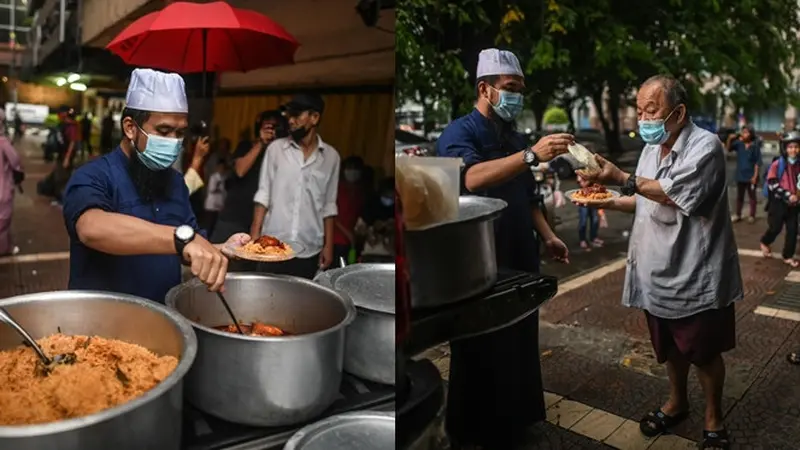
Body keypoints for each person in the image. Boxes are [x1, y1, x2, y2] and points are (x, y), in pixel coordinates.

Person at [575, 75, 742, 450]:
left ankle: (714, 418)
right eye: (638, 111)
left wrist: (620, 177)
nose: (642, 119)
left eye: (651, 111)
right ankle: (677, 402)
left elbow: (674, 193)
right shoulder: (653, 149)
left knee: (704, 352)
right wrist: (605, 198)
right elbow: (644, 197)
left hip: (695, 271)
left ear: (679, 113)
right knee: (669, 348)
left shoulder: (706, 146)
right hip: (656, 271)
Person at [436, 48, 571, 450]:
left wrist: (548, 236)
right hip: (478, 257)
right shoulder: (458, 133)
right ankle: (472, 428)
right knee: (479, 341)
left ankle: (517, 419)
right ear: (485, 89)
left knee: (519, 336)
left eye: (520, 90)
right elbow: (472, 178)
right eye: (510, 88)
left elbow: (528, 198)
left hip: (520, 251)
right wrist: (530, 155)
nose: (516, 97)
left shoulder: (514, 137)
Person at [62, 68, 249, 303]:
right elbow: (91, 228)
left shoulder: (175, 182)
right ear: (130, 127)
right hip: (102, 326)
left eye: (180, 133)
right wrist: (182, 240)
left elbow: (183, 248)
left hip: (162, 316)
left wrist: (217, 249)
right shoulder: (94, 176)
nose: (172, 141)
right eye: (163, 131)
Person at [251, 94, 340, 279]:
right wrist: (254, 235)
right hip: (273, 244)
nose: (290, 121)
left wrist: (328, 245)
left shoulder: (331, 157)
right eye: (289, 115)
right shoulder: (276, 149)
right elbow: (263, 194)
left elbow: (329, 205)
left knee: (299, 305)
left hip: (309, 247)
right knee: (267, 301)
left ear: (315, 118)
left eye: (297, 115)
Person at [211, 110, 286, 246]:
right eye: (268, 127)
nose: (271, 131)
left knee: (248, 264)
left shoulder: (283, 153)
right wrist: (261, 143)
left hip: (262, 221)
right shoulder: (246, 146)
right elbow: (240, 170)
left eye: (275, 127)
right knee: (219, 258)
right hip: (233, 217)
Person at [760, 131, 800, 267]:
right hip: (779, 203)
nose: (793, 150)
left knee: (793, 230)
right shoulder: (778, 164)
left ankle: (788, 255)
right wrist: (788, 195)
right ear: (785, 148)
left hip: (794, 204)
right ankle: (765, 241)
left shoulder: (798, 164)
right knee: (775, 228)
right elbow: (772, 183)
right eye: (790, 147)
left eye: (796, 147)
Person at [333, 156, 366, 265]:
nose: (352, 171)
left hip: (351, 240)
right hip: (336, 239)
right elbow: (331, 215)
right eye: (349, 168)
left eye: (355, 168)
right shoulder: (337, 189)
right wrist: (348, 233)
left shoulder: (360, 191)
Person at [726, 126, 761, 223]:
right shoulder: (739, 144)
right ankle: (738, 214)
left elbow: (758, 163)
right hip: (740, 175)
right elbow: (728, 149)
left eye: (746, 132)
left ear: (751, 134)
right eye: (743, 132)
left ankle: (752, 215)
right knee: (739, 196)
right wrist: (730, 138)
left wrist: (755, 176)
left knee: (752, 197)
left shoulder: (755, 146)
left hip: (751, 176)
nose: (744, 134)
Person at [356, 176, 394, 263]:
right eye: (387, 195)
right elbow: (359, 229)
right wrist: (370, 230)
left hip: (391, 253)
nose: (389, 198)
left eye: (392, 196)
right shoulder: (371, 205)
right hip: (371, 251)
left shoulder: (398, 207)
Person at [0, 112, 22, 256]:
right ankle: (3, 248)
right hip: (2, 188)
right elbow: (15, 161)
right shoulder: (3, 142)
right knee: (3, 219)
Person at [576, 173, 603, 251]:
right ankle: (582, 239)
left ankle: (593, 237)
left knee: (595, 219)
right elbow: (582, 184)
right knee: (583, 220)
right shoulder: (581, 171)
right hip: (583, 198)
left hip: (593, 197)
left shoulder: (594, 171)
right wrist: (591, 179)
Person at [203, 159, 228, 238]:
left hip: (219, 204)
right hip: (211, 205)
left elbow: (224, 191)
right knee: (208, 224)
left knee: (215, 225)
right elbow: (211, 189)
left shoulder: (223, 177)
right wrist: (218, 186)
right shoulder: (213, 177)